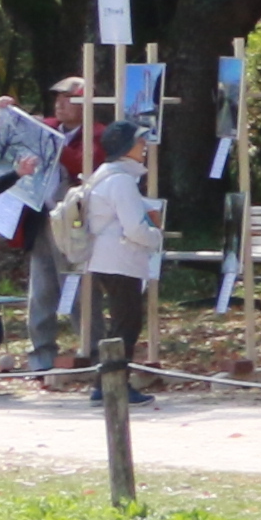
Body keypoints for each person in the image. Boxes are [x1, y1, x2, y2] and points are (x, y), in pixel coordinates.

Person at [0, 78, 76, 377]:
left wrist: (53, 146)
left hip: (74, 221)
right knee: (41, 289)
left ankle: (94, 349)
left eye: (69, 98)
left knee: (76, 288)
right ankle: (41, 355)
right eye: (58, 98)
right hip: (40, 218)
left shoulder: (96, 134)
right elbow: (2, 132)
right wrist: (5, 113)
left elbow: (89, 163)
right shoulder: (48, 126)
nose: (60, 104)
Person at [62, 143, 162, 395]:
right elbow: (135, 228)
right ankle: (113, 387)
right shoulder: (121, 180)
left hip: (104, 259)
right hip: (120, 260)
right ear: (125, 146)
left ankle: (106, 384)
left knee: (120, 323)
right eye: (139, 143)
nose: (145, 148)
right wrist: (157, 235)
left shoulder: (103, 175)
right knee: (126, 324)